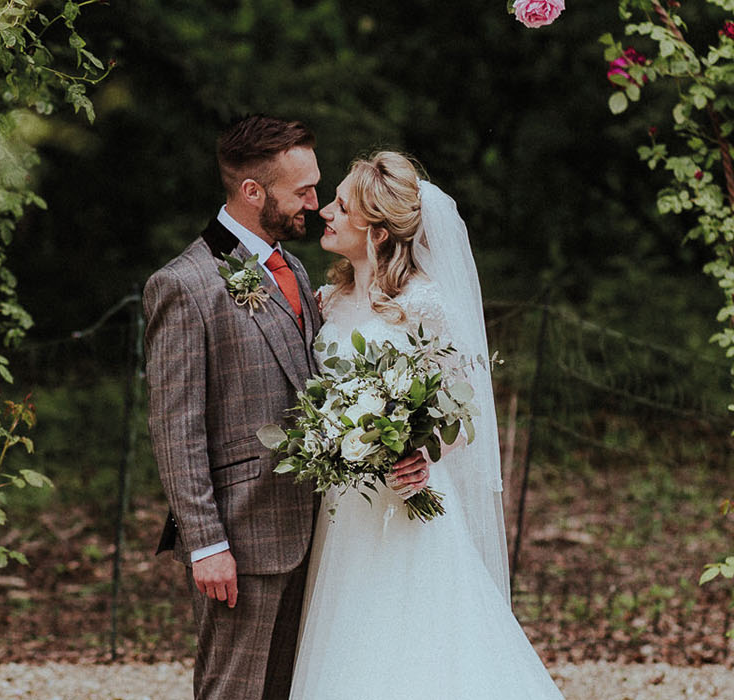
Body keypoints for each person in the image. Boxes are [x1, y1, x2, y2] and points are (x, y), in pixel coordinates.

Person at [143, 116, 431, 700]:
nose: (316, 203)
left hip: (320, 534)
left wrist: (407, 446)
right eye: (303, 190)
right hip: (242, 540)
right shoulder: (184, 285)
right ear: (253, 192)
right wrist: (206, 543)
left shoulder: (296, 270)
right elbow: (176, 429)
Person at [288, 151, 562, 699]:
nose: (325, 212)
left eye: (342, 206)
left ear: (378, 232)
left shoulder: (424, 304)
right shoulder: (327, 301)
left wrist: (424, 452)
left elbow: (465, 408)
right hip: (345, 509)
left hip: (406, 500)